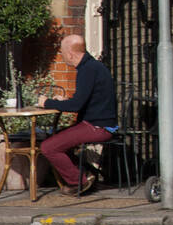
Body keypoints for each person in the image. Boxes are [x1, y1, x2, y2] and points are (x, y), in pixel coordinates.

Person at [38, 34, 118, 197]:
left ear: (70, 53)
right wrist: (64, 100)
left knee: (48, 147)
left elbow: (76, 106)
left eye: (62, 53)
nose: (62, 56)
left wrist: (47, 103)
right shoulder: (91, 67)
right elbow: (84, 100)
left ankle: (78, 182)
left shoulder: (87, 70)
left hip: (97, 126)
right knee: (56, 138)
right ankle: (88, 174)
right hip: (97, 122)